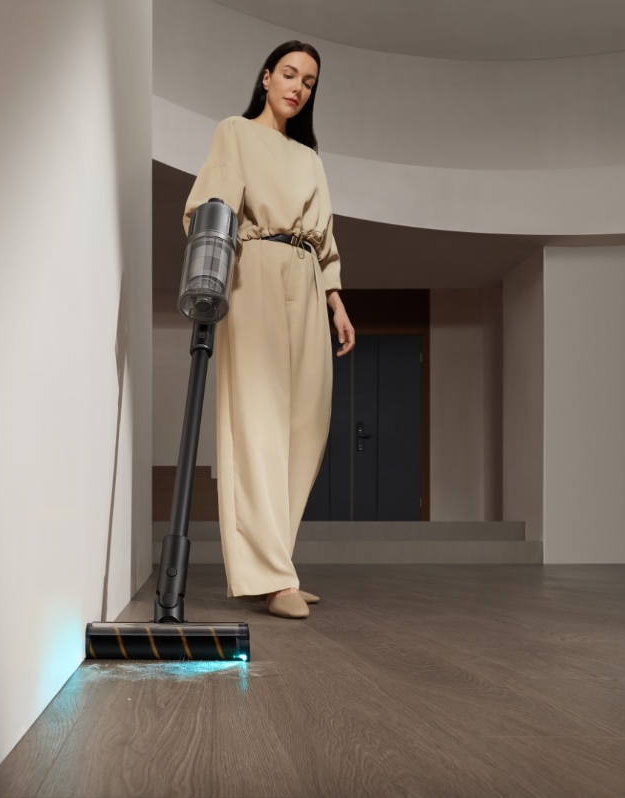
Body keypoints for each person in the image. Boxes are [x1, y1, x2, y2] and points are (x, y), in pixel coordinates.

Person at [182, 41, 356, 619]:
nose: (298, 87)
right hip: (252, 271)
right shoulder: (235, 132)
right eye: (289, 73)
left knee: (307, 421)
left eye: (308, 81)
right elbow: (211, 205)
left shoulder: (311, 159)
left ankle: (278, 560)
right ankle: (269, 574)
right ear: (265, 77)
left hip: (306, 279)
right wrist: (208, 275)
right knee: (256, 421)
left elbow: (326, 239)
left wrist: (336, 302)